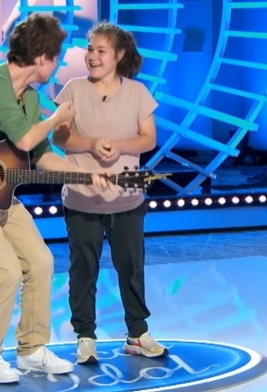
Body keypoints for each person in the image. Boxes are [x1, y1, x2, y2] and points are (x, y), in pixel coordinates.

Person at [0, 14, 108, 384]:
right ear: (42, 58)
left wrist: (85, 175)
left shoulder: (30, 98)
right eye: (57, 56)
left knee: (40, 261)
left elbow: (40, 154)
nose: (60, 63)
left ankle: (32, 350)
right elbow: (24, 140)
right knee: (6, 270)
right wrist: (58, 118)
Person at [52, 22, 168, 364]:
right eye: (90, 50)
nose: (92, 56)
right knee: (83, 268)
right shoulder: (72, 89)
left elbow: (148, 139)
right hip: (81, 196)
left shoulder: (137, 93)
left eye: (101, 50)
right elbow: (59, 137)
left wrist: (117, 147)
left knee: (131, 266)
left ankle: (137, 333)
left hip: (127, 196)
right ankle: (85, 336)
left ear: (118, 55)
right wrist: (88, 143)